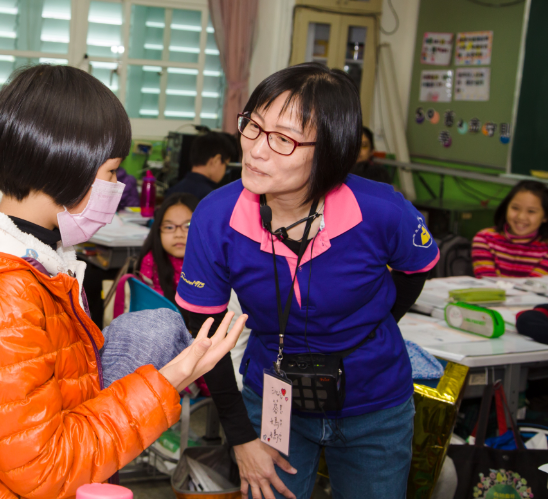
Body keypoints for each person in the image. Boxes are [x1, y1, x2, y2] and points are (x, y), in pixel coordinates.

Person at [0, 64, 246, 499]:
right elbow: (44, 472)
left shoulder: (35, 255)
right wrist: (174, 377)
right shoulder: (2, 297)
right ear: (66, 165)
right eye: (110, 173)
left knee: (152, 327)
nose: (116, 188)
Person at [175, 63, 440, 499]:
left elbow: (417, 270)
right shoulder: (217, 215)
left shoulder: (381, 210)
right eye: (253, 127)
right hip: (274, 397)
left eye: (282, 139)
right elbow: (205, 333)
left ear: (330, 150)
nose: (256, 150)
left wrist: (371, 328)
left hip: (375, 400)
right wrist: (241, 438)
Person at [472, 180, 548, 278]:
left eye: (531, 211)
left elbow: (535, 287)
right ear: (506, 207)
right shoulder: (485, 239)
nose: (521, 217)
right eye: (515, 208)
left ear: (546, 216)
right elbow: (487, 283)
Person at [138, 192, 200, 310]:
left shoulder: (213, 263)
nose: (178, 234)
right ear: (158, 230)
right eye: (169, 227)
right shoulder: (151, 262)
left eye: (188, 226)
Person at [166, 131, 236, 201]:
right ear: (216, 161)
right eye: (226, 166)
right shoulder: (211, 197)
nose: (224, 172)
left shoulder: (172, 191)